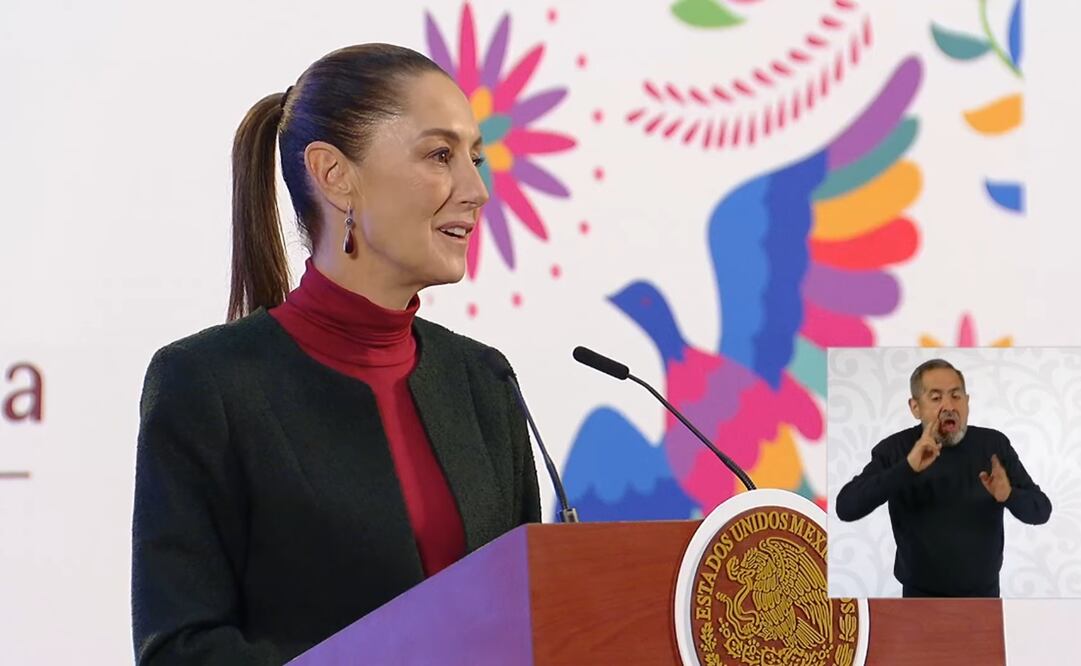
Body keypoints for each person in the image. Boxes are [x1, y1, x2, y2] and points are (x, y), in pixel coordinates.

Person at [131, 44, 542, 664]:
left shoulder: (484, 380)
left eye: (476, 158)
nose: (476, 189)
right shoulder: (204, 384)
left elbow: (530, 618)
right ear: (333, 174)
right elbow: (180, 650)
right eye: (440, 156)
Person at [835, 358, 1051, 598]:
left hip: (984, 597)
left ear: (967, 402)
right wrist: (907, 468)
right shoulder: (895, 449)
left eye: (956, 396)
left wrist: (1009, 495)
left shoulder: (993, 445)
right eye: (936, 398)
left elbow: (1041, 511)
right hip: (919, 599)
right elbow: (846, 507)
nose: (949, 406)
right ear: (915, 407)